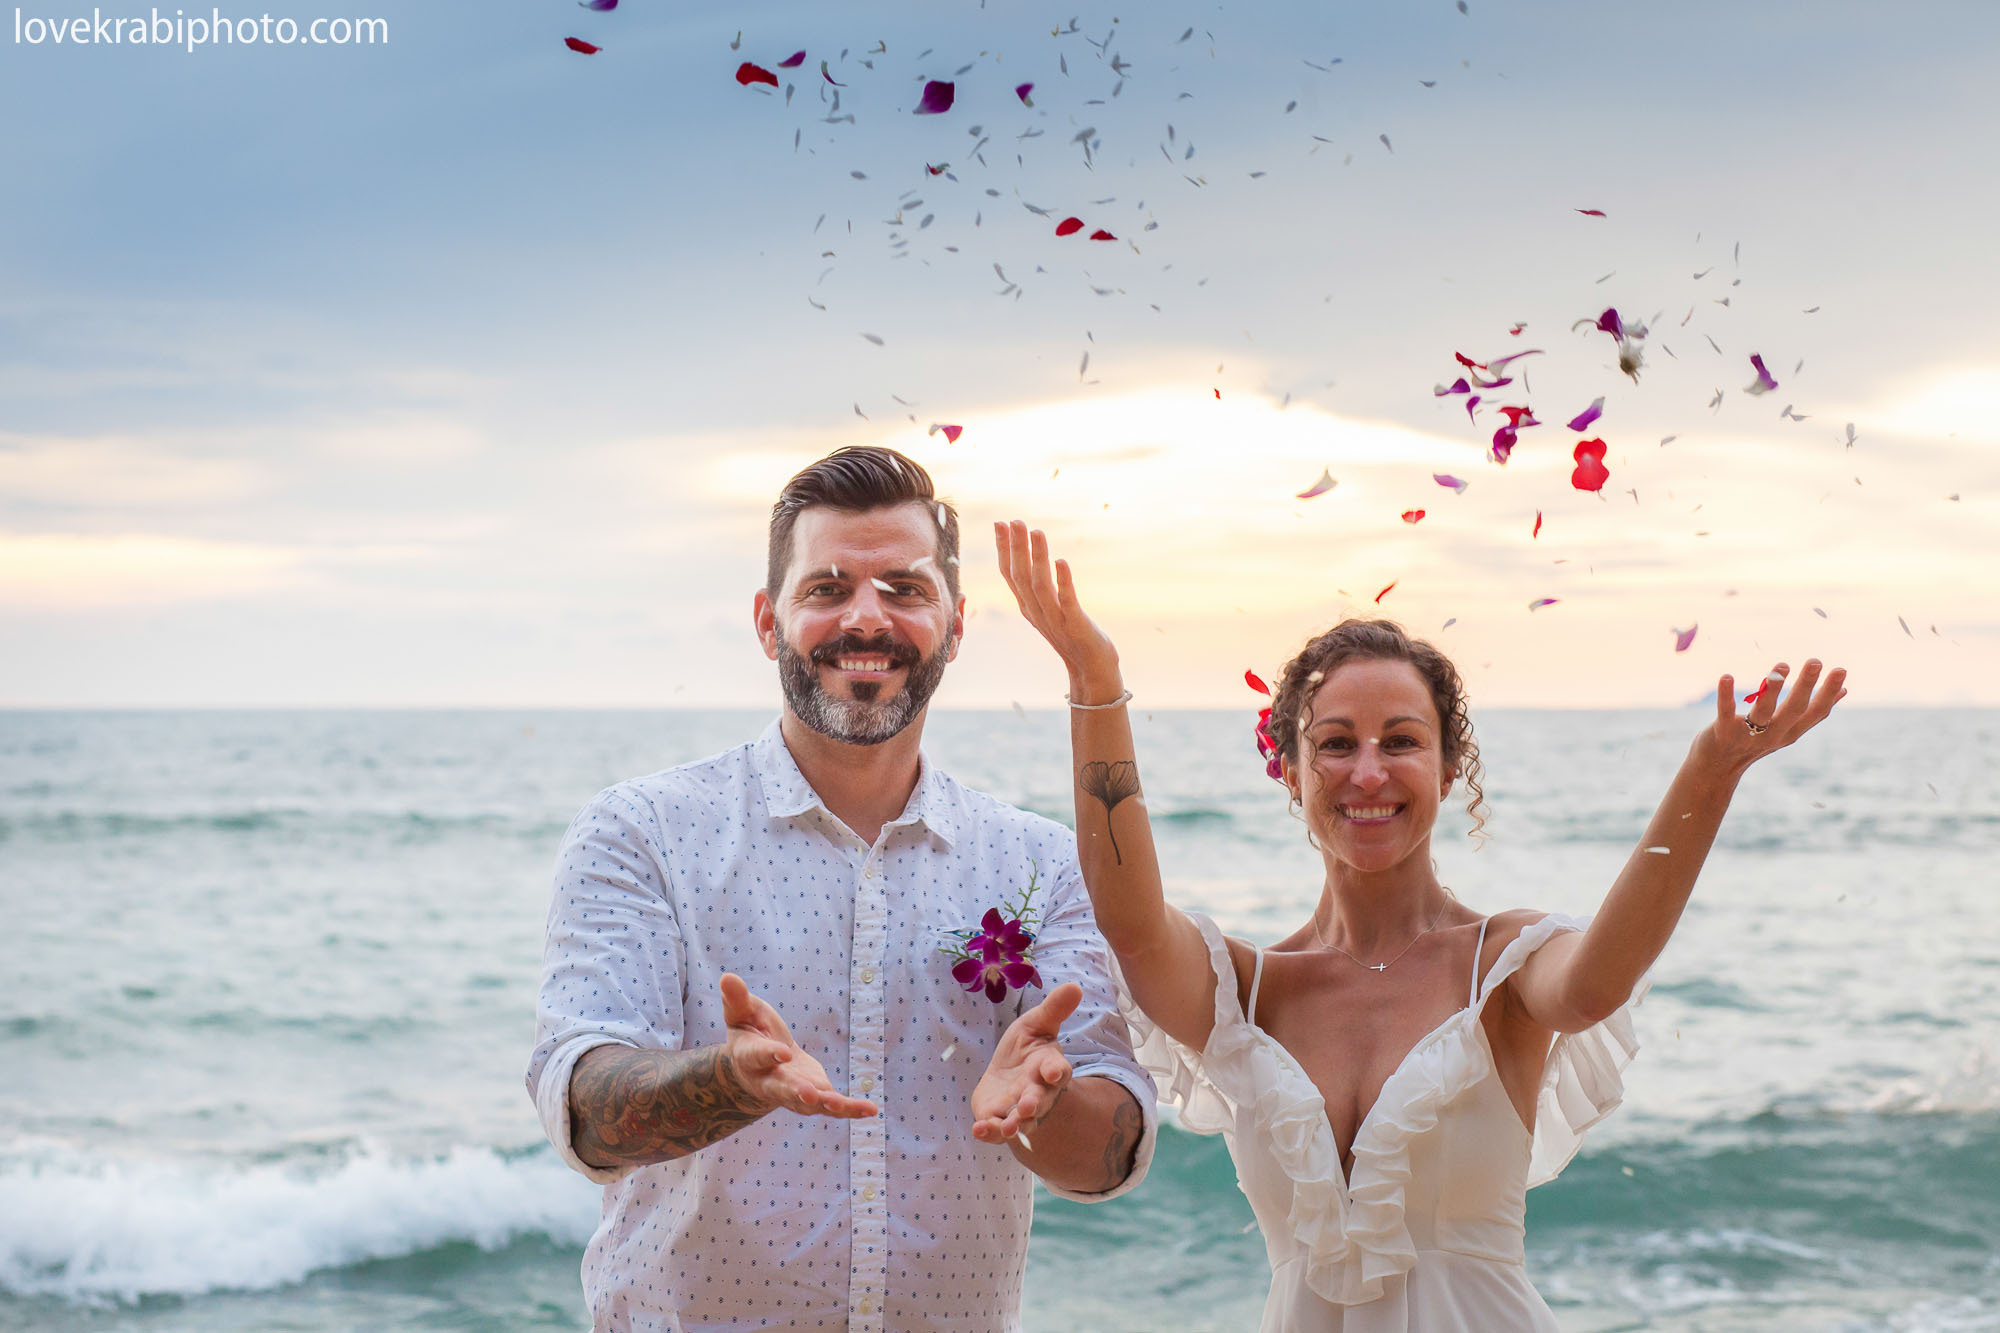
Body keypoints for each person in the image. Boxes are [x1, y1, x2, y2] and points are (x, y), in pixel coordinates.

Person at [991, 520, 1846, 1331]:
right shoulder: (1246, 991)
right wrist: (1095, 683)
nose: (1368, 772)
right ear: (1290, 771)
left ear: (1447, 768)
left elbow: (1595, 985)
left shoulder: (1502, 966)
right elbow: (1132, 924)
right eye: (1336, 744)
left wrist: (1710, 773)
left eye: (1400, 740)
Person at [524, 449, 1156, 1333]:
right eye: (827, 588)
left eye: (906, 588)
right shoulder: (643, 831)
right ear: (767, 620)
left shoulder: (1038, 862)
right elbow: (585, 1110)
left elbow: (1108, 1158)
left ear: (955, 624)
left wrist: (1044, 1108)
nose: (866, 617)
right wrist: (726, 1080)